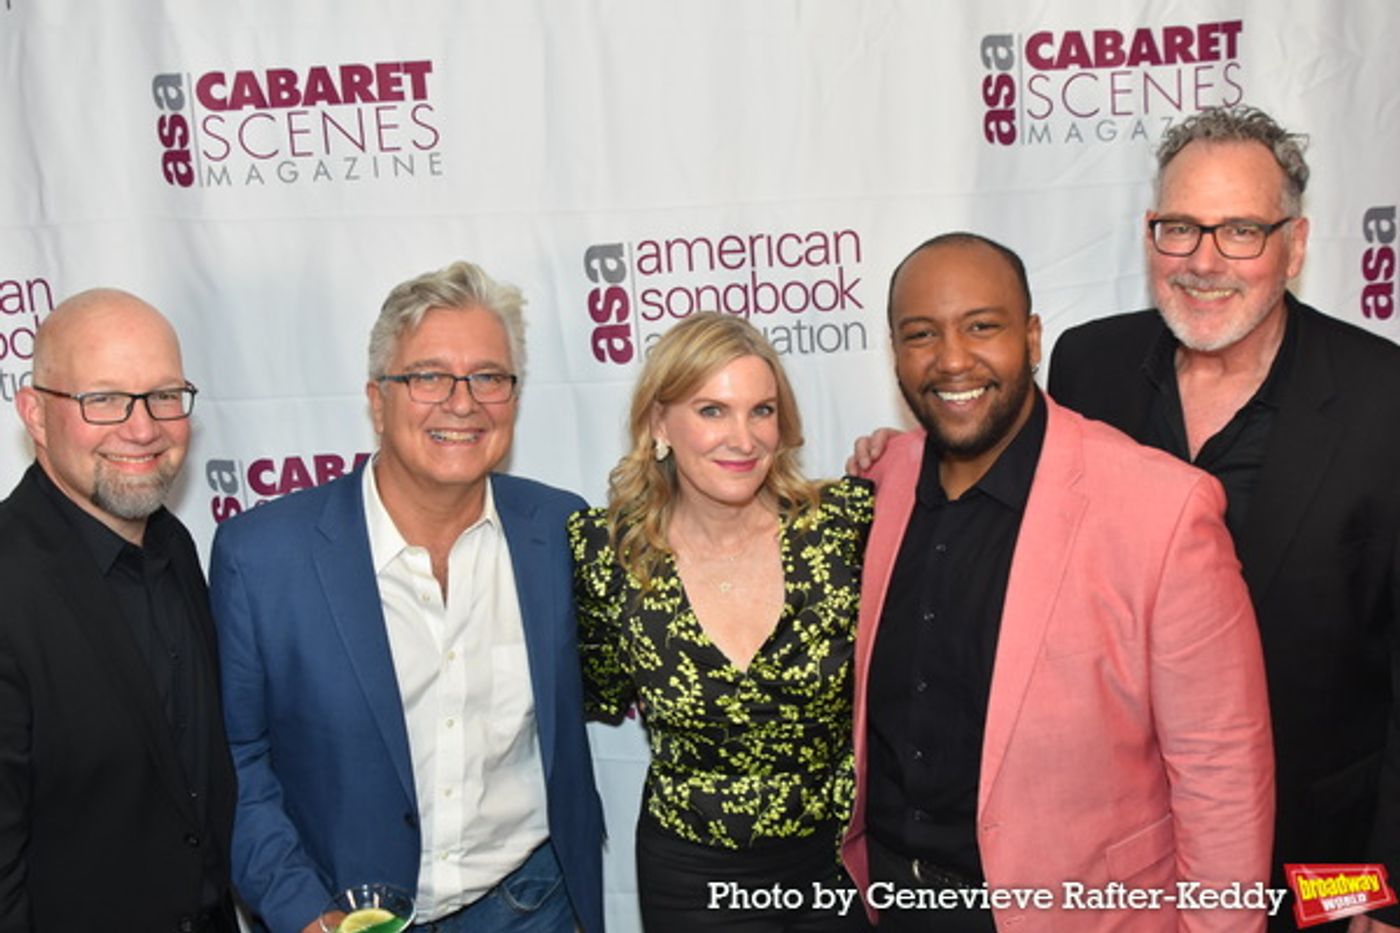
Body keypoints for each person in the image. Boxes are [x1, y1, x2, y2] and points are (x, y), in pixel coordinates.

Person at [842, 233, 1275, 932]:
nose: (953, 359)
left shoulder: (1162, 510)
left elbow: (1221, 775)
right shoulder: (878, 484)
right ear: (895, 353)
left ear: (1033, 336)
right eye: (921, 334)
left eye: (982, 326)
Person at [1049, 105, 1400, 933]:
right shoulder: (1086, 366)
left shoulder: (1383, 399)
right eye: (1181, 228)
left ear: (1296, 245)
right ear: (1149, 233)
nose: (1204, 262)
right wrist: (899, 455)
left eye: (1241, 230)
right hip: (1120, 858)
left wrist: (1382, 894)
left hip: (1318, 862)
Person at [210, 261, 604, 933]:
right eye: (428, 376)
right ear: (376, 398)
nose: (463, 400)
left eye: (489, 376)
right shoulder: (263, 556)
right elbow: (237, 764)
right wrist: (307, 915)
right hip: (346, 917)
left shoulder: (564, 531)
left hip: (534, 904)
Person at [568, 312, 872, 932]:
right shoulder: (607, 552)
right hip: (691, 877)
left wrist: (905, 448)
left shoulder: (845, 523)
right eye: (712, 410)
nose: (744, 438)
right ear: (659, 423)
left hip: (838, 862)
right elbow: (596, 689)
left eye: (761, 410)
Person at [0, 289, 238, 932]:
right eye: (103, 398)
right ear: (35, 414)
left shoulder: (174, 544)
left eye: (164, 395)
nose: (142, 427)